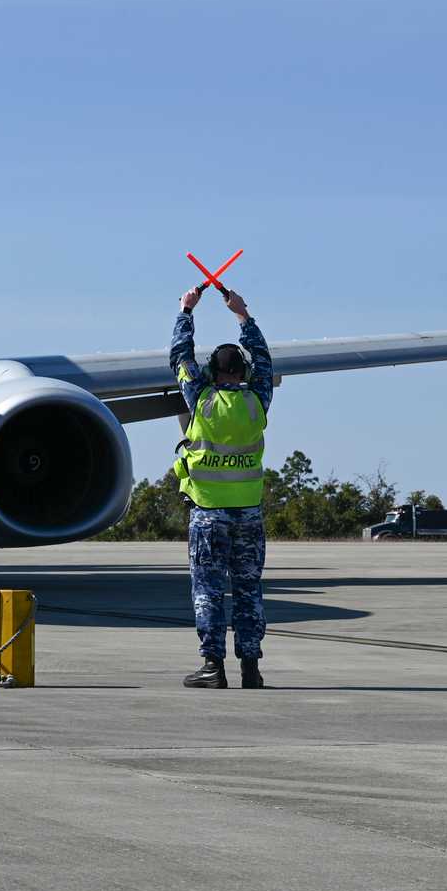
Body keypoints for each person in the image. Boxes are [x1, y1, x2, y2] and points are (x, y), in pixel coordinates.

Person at [169, 282, 275, 689]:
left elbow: (180, 356)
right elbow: (264, 361)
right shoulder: (257, 401)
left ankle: (213, 667)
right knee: (248, 590)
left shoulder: (200, 399)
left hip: (208, 515)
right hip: (249, 514)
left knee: (208, 592)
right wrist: (243, 314)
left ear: (212, 372)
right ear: (244, 373)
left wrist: (186, 312)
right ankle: (251, 667)